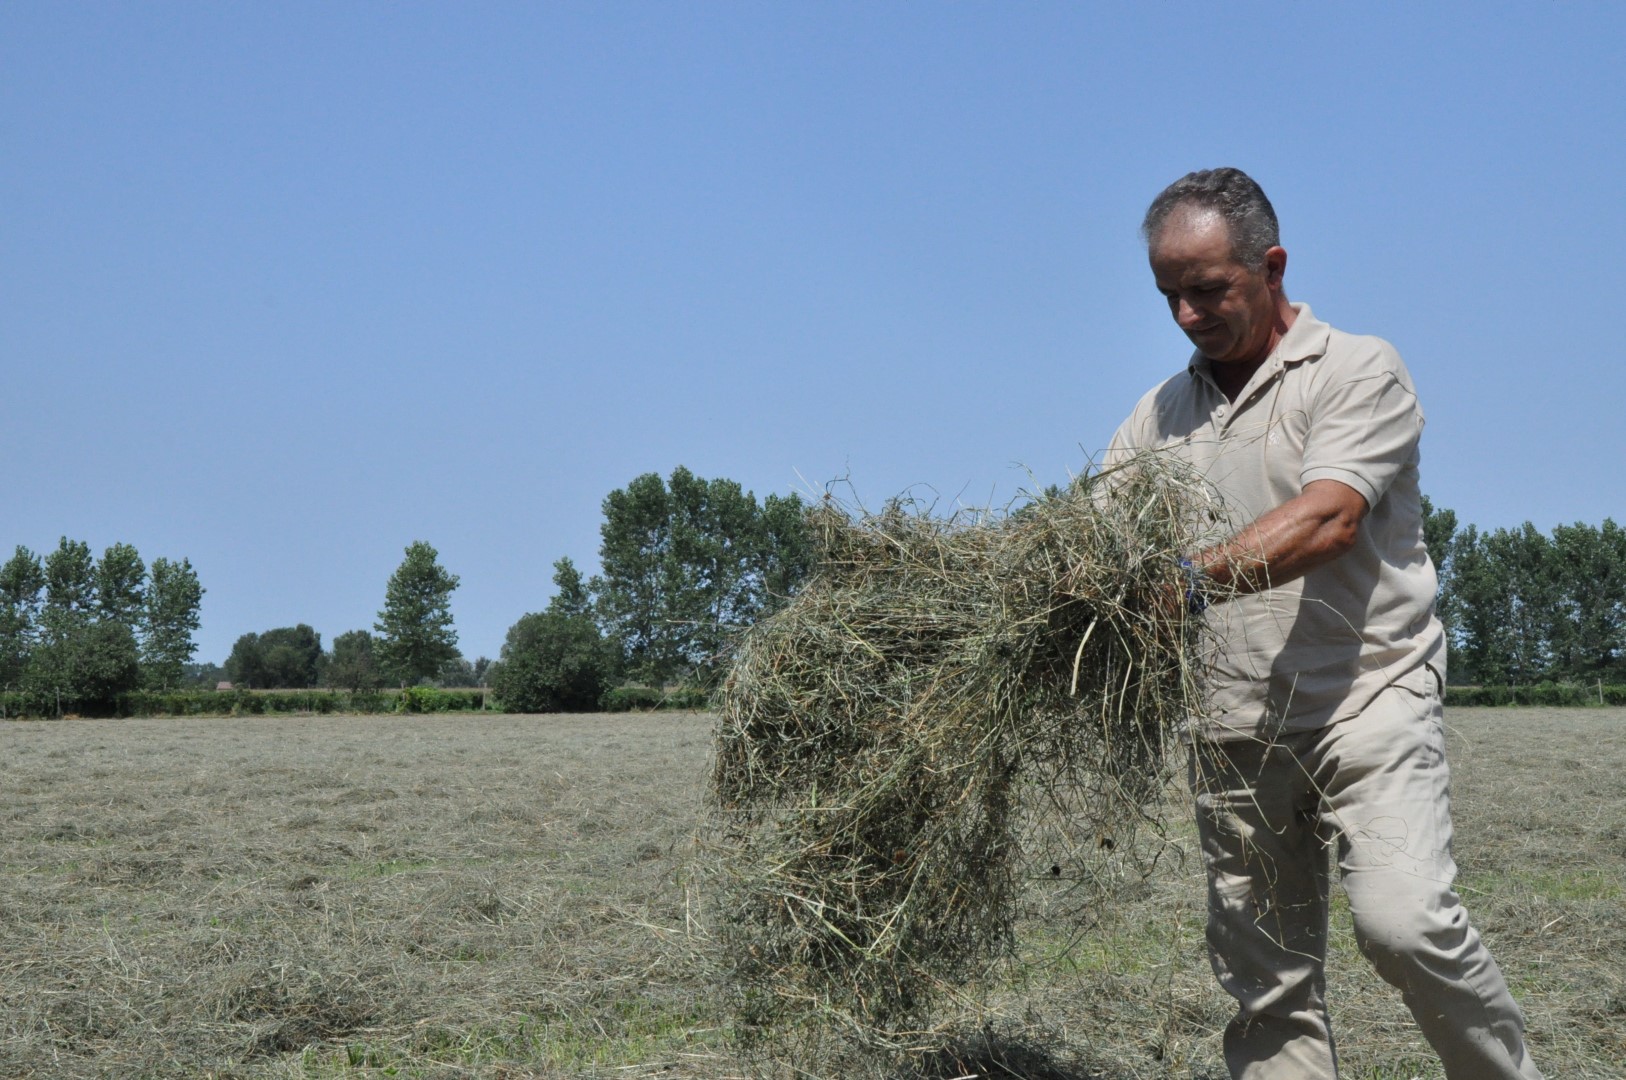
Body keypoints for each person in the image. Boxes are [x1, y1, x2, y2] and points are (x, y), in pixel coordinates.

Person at [1106, 167, 1542, 1080]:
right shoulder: (1156, 417)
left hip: (1365, 695)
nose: (1187, 314)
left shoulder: (1356, 369)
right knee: (1268, 984)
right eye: (1169, 296)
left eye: (1208, 289)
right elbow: (1098, 550)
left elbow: (1329, 517)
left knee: (1405, 922)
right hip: (1231, 724)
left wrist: (1180, 584)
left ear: (1271, 266)